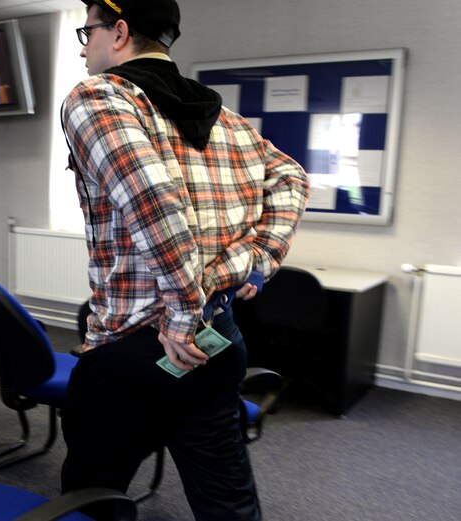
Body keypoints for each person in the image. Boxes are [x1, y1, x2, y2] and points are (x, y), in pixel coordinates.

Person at [60, 1, 310, 520]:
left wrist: (179, 317)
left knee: (91, 496)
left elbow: (156, 205)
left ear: (120, 31)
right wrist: (256, 258)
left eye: (88, 31)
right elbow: (292, 178)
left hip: (141, 347)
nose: (84, 46)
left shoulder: (99, 98)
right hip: (216, 342)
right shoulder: (231, 122)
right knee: (228, 501)